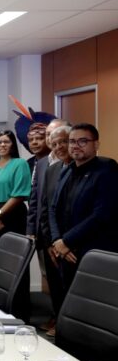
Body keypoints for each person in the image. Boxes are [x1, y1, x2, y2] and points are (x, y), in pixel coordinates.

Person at [50, 123, 118, 292]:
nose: (76, 146)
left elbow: (101, 215)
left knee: (94, 300)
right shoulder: (66, 171)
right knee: (68, 299)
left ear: (96, 145)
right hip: (65, 253)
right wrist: (57, 241)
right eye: (72, 141)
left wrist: (66, 241)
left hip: (93, 253)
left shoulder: (107, 170)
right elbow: (53, 208)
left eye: (83, 141)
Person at [37, 125, 72, 337]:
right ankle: (59, 322)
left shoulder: (85, 168)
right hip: (53, 242)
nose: (59, 147)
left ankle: (70, 328)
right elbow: (45, 208)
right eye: (55, 143)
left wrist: (65, 242)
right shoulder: (52, 170)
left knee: (73, 289)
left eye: (64, 142)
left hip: (73, 244)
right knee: (56, 286)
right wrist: (51, 242)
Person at [0, 130, 32, 243]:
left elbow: (18, 195)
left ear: (12, 144)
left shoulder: (20, 163)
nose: (2, 145)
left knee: (13, 250)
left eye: (6, 142)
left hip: (13, 213)